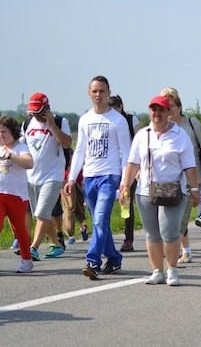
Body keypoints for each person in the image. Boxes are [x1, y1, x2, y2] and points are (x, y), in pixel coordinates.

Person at [118, 95, 200, 286]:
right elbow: (133, 163)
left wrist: (195, 188)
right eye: (153, 109)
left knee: (170, 232)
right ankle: (157, 271)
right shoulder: (143, 135)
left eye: (161, 110)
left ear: (168, 112)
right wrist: (125, 186)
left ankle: (172, 270)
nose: (157, 113)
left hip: (173, 190)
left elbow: (189, 165)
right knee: (152, 233)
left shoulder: (180, 135)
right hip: (146, 190)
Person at [65, 76, 131, 280]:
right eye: (94, 91)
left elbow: (126, 153)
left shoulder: (118, 120)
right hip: (90, 177)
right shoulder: (85, 119)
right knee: (98, 222)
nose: (98, 95)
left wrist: (125, 182)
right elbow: (79, 150)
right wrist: (72, 178)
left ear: (108, 93)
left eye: (102, 91)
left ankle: (93, 261)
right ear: (89, 93)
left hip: (109, 176)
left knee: (100, 220)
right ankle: (114, 258)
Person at [162, 87, 201, 264]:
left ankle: (174, 251)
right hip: (168, 179)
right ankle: (185, 250)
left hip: (192, 178)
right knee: (172, 217)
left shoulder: (191, 123)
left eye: (171, 106)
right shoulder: (161, 127)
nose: (168, 110)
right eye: (165, 107)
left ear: (179, 106)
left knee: (181, 217)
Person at [21, 93, 72, 260]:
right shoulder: (27, 124)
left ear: (47, 109)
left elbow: (67, 143)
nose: (36, 116)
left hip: (53, 175)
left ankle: (33, 248)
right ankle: (57, 244)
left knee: (42, 212)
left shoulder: (60, 121)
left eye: (39, 112)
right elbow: (21, 147)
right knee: (40, 214)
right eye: (33, 112)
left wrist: (52, 125)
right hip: (32, 176)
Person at [0, 115, 35, 273]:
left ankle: (26, 260)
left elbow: (29, 163)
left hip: (17, 196)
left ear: (13, 131)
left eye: (4, 132)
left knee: (19, 229)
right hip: (1, 194)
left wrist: (11, 156)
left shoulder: (21, 148)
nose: (1, 135)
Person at [108, 95, 140, 252]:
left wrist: (139, 166)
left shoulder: (130, 120)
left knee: (126, 202)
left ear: (121, 107)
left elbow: (140, 141)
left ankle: (128, 239)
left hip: (129, 167)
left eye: (115, 109)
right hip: (111, 166)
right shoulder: (106, 121)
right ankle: (105, 238)